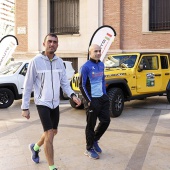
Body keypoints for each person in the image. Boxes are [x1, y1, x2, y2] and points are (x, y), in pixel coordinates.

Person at [21, 33, 81, 170]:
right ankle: (52, 167)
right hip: (42, 102)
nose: (52, 44)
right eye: (49, 41)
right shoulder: (35, 61)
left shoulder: (60, 62)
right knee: (49, 134)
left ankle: (35, 147)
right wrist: (25, 107)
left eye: (54, 42)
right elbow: (28, 84)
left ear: (57, 45)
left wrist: (72, 95)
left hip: (55, 103)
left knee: (53, 132)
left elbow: (65, 83)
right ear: (44, 44)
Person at [79, 44, 111, 159]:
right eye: (95, 51)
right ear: (90, 52)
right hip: (92, 100)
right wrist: (89, 100)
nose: (98, 53)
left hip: (102, 98)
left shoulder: (101, 65)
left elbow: (102, 80)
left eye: (99, 51)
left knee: (106, 121)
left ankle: (95, 140)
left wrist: (105, 94)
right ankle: (89, 148)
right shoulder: (85, 67)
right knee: (90, 125)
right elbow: (81, 85)